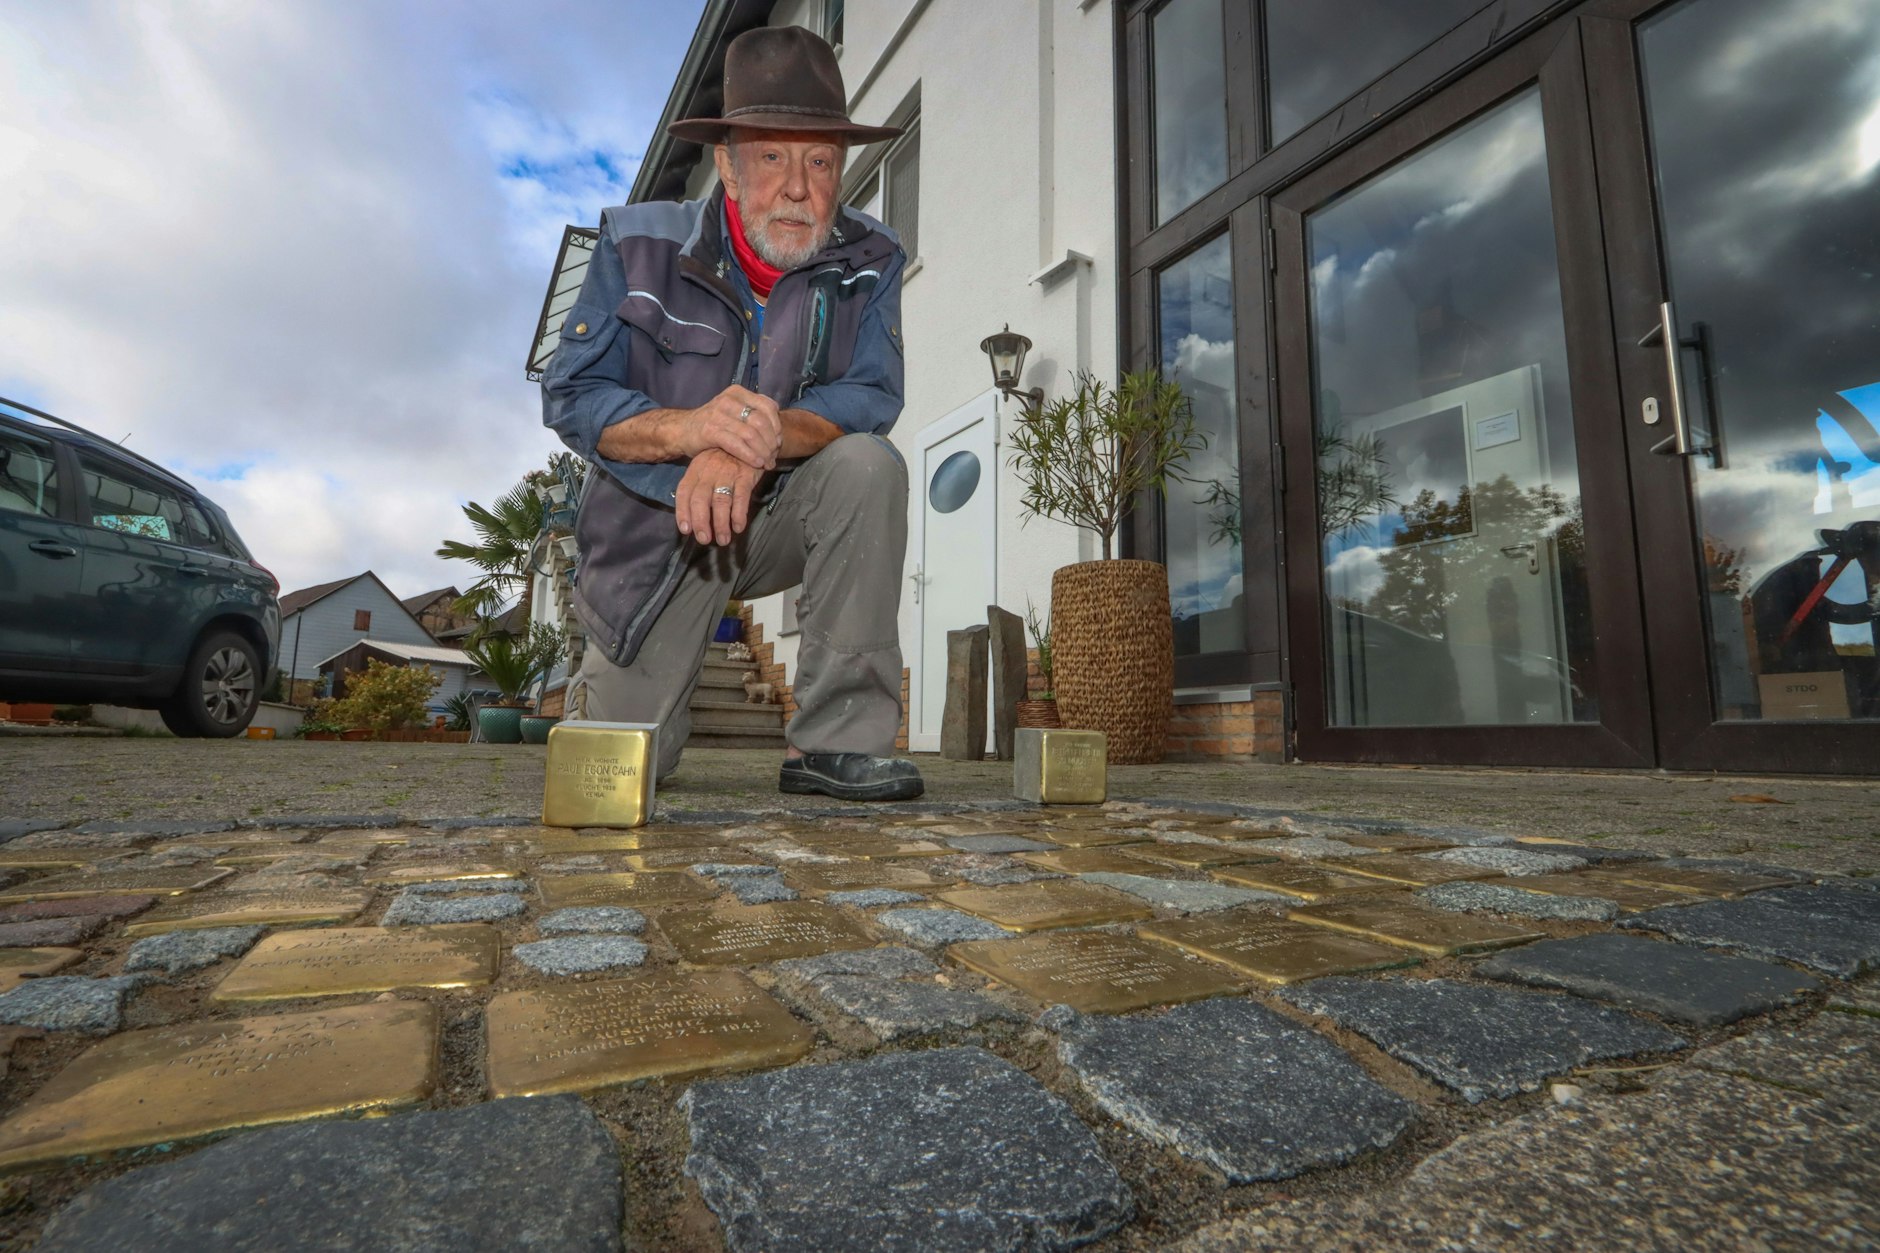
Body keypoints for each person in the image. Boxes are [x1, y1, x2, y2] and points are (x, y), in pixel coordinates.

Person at [542, 25, 922, 802]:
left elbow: (870, 395)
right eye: (773, 155)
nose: (797, 186)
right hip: (660, 534)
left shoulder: (872, 258)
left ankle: (836, 743)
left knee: (867, 466)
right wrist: (692, 430)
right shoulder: (636, 242)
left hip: (780, 515)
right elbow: (572, 394)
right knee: (618, 769)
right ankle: (613, 696)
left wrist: (756, 438)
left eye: (820, 161)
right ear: (726, 162)